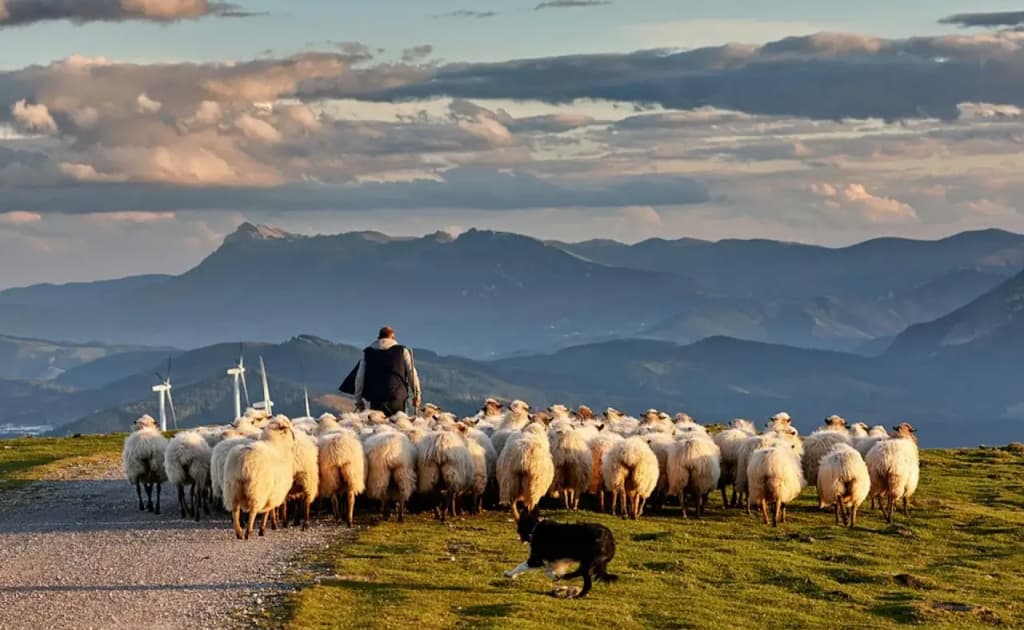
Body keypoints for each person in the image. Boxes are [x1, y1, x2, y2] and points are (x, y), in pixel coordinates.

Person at [353, 326, 421, 416]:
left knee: (378, 428)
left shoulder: (368, 353)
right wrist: (417, 395)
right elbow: (411, 373)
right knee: (400, 428)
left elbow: (359, 377)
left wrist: (358, 400)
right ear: (392, 337)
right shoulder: (402, 351)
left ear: (379, 337)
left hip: (376, 400)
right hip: (397, 399)